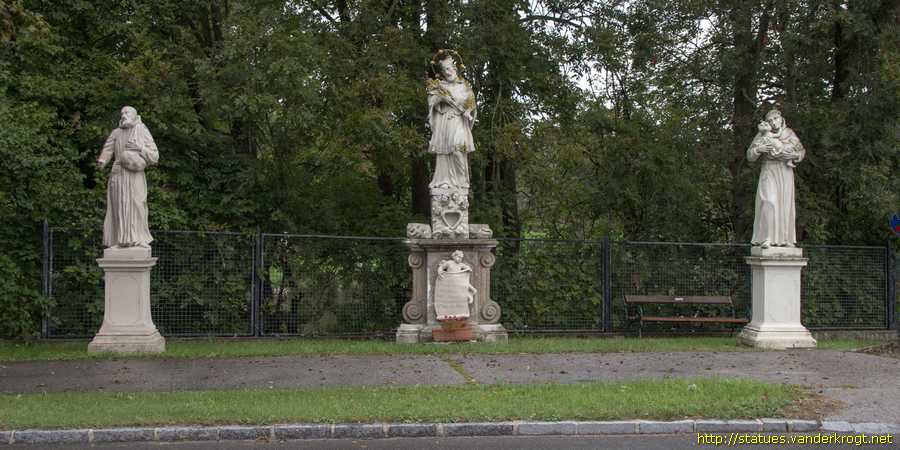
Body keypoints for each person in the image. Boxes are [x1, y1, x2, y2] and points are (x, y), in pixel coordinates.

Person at [96, 106, 159, 248]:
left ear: (135, 115)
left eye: (127, 112)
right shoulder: (116, 133)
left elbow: (155, 156)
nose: (124, 115)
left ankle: (139, 239)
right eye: (122, 113)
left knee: (137, 204)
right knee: (119, 205)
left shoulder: (142, 130)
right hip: (118, 174)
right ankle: (120, 241)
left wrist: (139, 148)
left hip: (135, 174)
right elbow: (108, 149)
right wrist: (102, 161)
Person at [746, 109, 805, 248]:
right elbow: (750, 155)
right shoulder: (761, 135)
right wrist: (758, 150)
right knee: (768, 201)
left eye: (775, 119)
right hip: (769, 170)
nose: (773, 122)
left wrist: (794, 156)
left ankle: (786, 239)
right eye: (770, 121)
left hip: (785, 171)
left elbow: (801, 152)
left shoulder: (789, 133)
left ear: (781, 119)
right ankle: (767, 238)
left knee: (785, 205)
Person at [427, 50, 476, 190]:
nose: (448, 72)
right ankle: (445, 180)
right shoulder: (440, 86)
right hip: (444, 121)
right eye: (445, 70)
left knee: (457, 147)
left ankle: (462, 181)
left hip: (459, 121)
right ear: (442, 72)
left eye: (450, 68)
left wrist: (467, 111)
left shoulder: (464, 86)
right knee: (445, 150)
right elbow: (431, 101)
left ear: (455, 68)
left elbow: (471, 103)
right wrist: (441, 98)